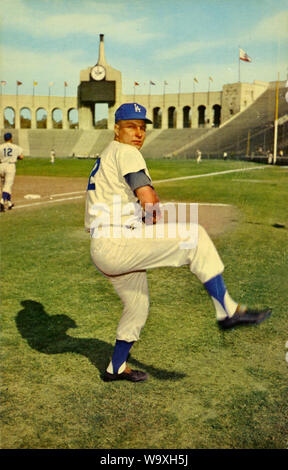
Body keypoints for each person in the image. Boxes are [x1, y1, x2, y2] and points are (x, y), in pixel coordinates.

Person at [85, 103, 271, 383]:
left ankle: (116, 367)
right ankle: (227, 310)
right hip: (117, 241)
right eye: (131, 126)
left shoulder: (109, 154)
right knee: (194, 237)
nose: (138, 133)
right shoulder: (126, 152)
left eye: (142, 127)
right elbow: (146, 197)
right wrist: (152, 213)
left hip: (105, 246)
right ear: (116, 129)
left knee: (137, 306)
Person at [0, 132, 24, 212]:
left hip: (1, 165)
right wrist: (15, 157)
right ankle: (2, 201)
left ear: (4, 139)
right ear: (11, 138)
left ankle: (9, 203)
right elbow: (21, 157)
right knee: (8, 185)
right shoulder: (15, 147)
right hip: (10, 166)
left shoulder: (0, 147)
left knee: (5, 186)